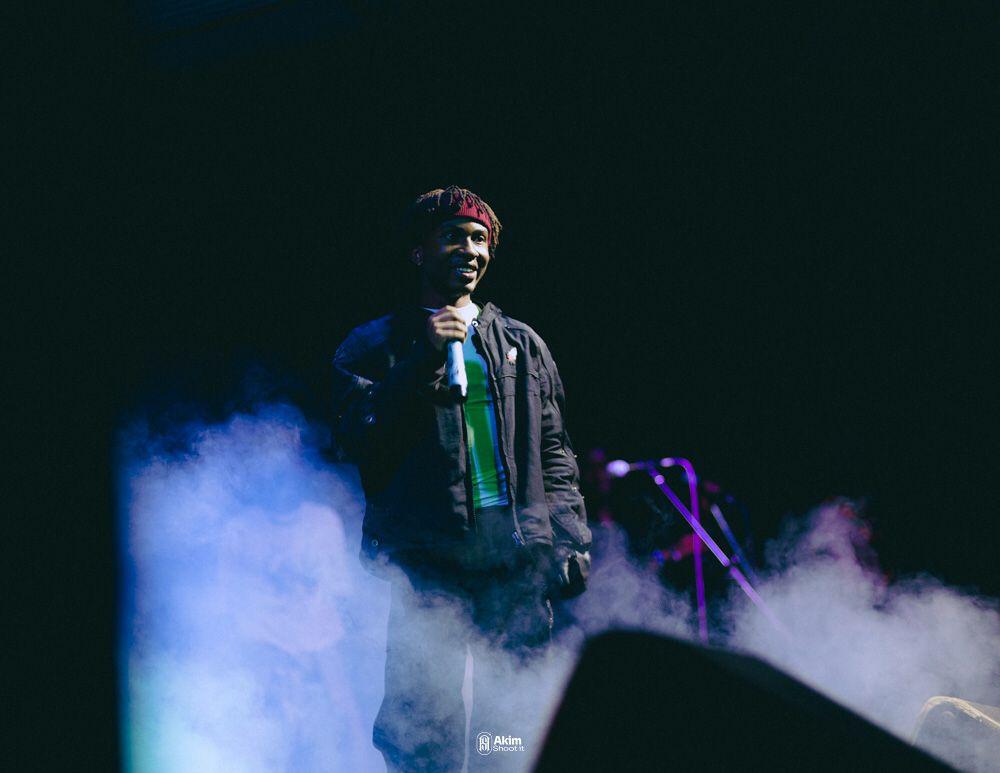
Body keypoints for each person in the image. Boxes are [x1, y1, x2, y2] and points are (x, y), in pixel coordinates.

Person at [332, 185, 591, 771]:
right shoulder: (374, 345)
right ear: (419, 252)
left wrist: (569, 541)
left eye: (479, 239)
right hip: (430, 563)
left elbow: (555, 452)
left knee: (510, 729)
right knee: (424, 727)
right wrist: (423, 357)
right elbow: (356, 436)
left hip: (514, 561)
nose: (470, 250)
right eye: (453, 236)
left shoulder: (522, 344)